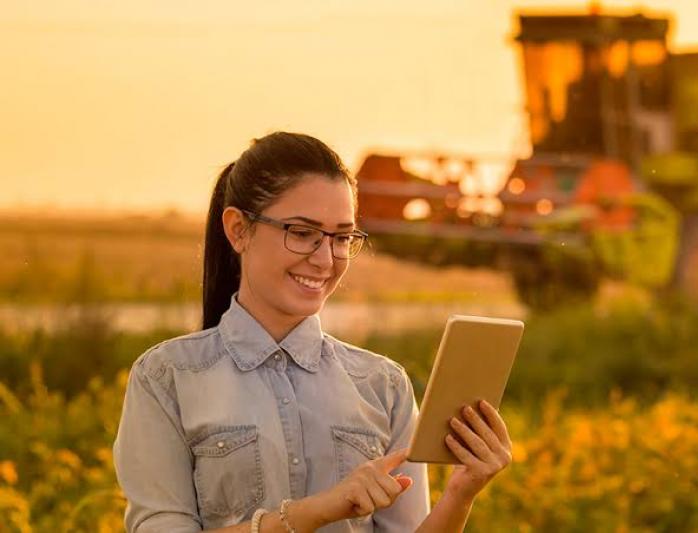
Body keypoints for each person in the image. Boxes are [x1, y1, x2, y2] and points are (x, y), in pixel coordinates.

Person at [112, 131, 513, 532]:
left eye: (341, 238)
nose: (324, 259)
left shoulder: (383, 386)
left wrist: (462, 491)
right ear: (238, 230)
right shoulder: (168, 377)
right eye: (302, 233)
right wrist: (316, 512)